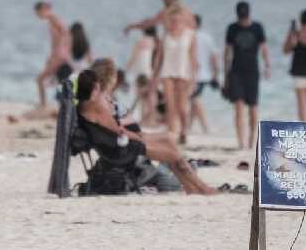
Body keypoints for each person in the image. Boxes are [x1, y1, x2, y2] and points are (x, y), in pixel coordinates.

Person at [75, 69, 217, 195]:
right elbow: (119, 131)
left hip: (115, 148)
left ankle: (190, 187)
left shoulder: (83, 108)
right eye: (98, 88)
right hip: (121, 151)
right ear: (94, 88)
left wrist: (135, 135)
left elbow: (114, 130)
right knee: (174, 155)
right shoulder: (96, 109)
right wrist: (137, 137)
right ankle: (202, 188)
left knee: (168, 140)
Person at [223, 1, 270, 151]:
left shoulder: (257, 27)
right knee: (238, 107)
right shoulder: (232, 28)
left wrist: (267, 65)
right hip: (236, 72)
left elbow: (264, 48)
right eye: (241, 16)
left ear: (248, 13)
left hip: (252, 72)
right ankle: (241, 143)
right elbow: (227, 52)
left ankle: (251, 141)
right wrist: (225, 75)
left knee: (253, 108)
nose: (243, 20)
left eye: (244, 16)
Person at [158, 7, 197, 143]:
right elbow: (159, 58)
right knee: (170, 106)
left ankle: (184, 131)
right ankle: (171, 133)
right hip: (167, 72)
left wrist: (193, 78)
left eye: (177, 18)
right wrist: (154, 78)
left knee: (181, 106)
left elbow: (193, 58)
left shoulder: (190, 34)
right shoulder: (165, 35)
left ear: (183, 19)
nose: (174, 21)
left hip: (183, 73)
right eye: (172, 19)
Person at [33, 1, 70, 107]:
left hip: (59, 56)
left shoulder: (52, 18)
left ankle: (43, 104)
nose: (38, 16)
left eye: (38, 13)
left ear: (42, 10)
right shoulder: (51, 19)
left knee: (40, 80)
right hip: (57, 55)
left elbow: (65, 33)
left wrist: (61, 52)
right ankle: (54, 103)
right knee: (55, 80)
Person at [187, 14, 219, 135]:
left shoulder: (191, 37)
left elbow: (214, 57)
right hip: (205, 75)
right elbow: (215, 57)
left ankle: (206, 128)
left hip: (195, 75)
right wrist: (215, 74)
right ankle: (188, 128)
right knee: (193, 101)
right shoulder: (207, 37)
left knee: (195, 100)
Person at [124, 27, 158, 125]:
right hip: (149, 70)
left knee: (140, 95)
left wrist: (126, 69)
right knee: (149, 95)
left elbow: (134, 56)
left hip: (139, 71)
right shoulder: (155, 42)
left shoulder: (141, 41)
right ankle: (150, 119)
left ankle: (144, 119)